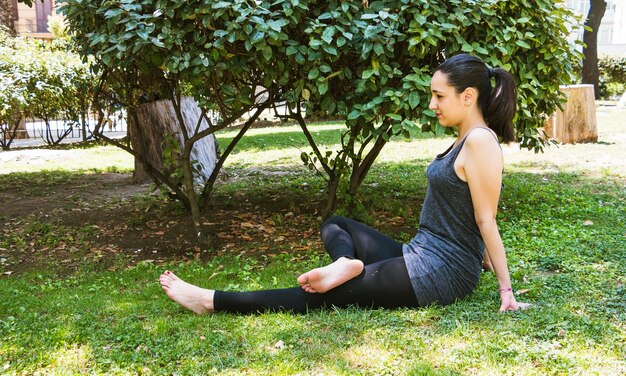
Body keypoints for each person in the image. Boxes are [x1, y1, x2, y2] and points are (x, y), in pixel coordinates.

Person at [159, 53, 525, 314]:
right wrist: (480, 256)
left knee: (327, 295)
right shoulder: (466, 139)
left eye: (439, 96)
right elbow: (461, 208)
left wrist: (504, 289)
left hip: (440, 273)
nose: (431, 104)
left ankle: (211, 301)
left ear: (468, 96)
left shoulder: (480, 141)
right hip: (419, 252)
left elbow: (485, 219)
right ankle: (346, 262)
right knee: (336, 223)